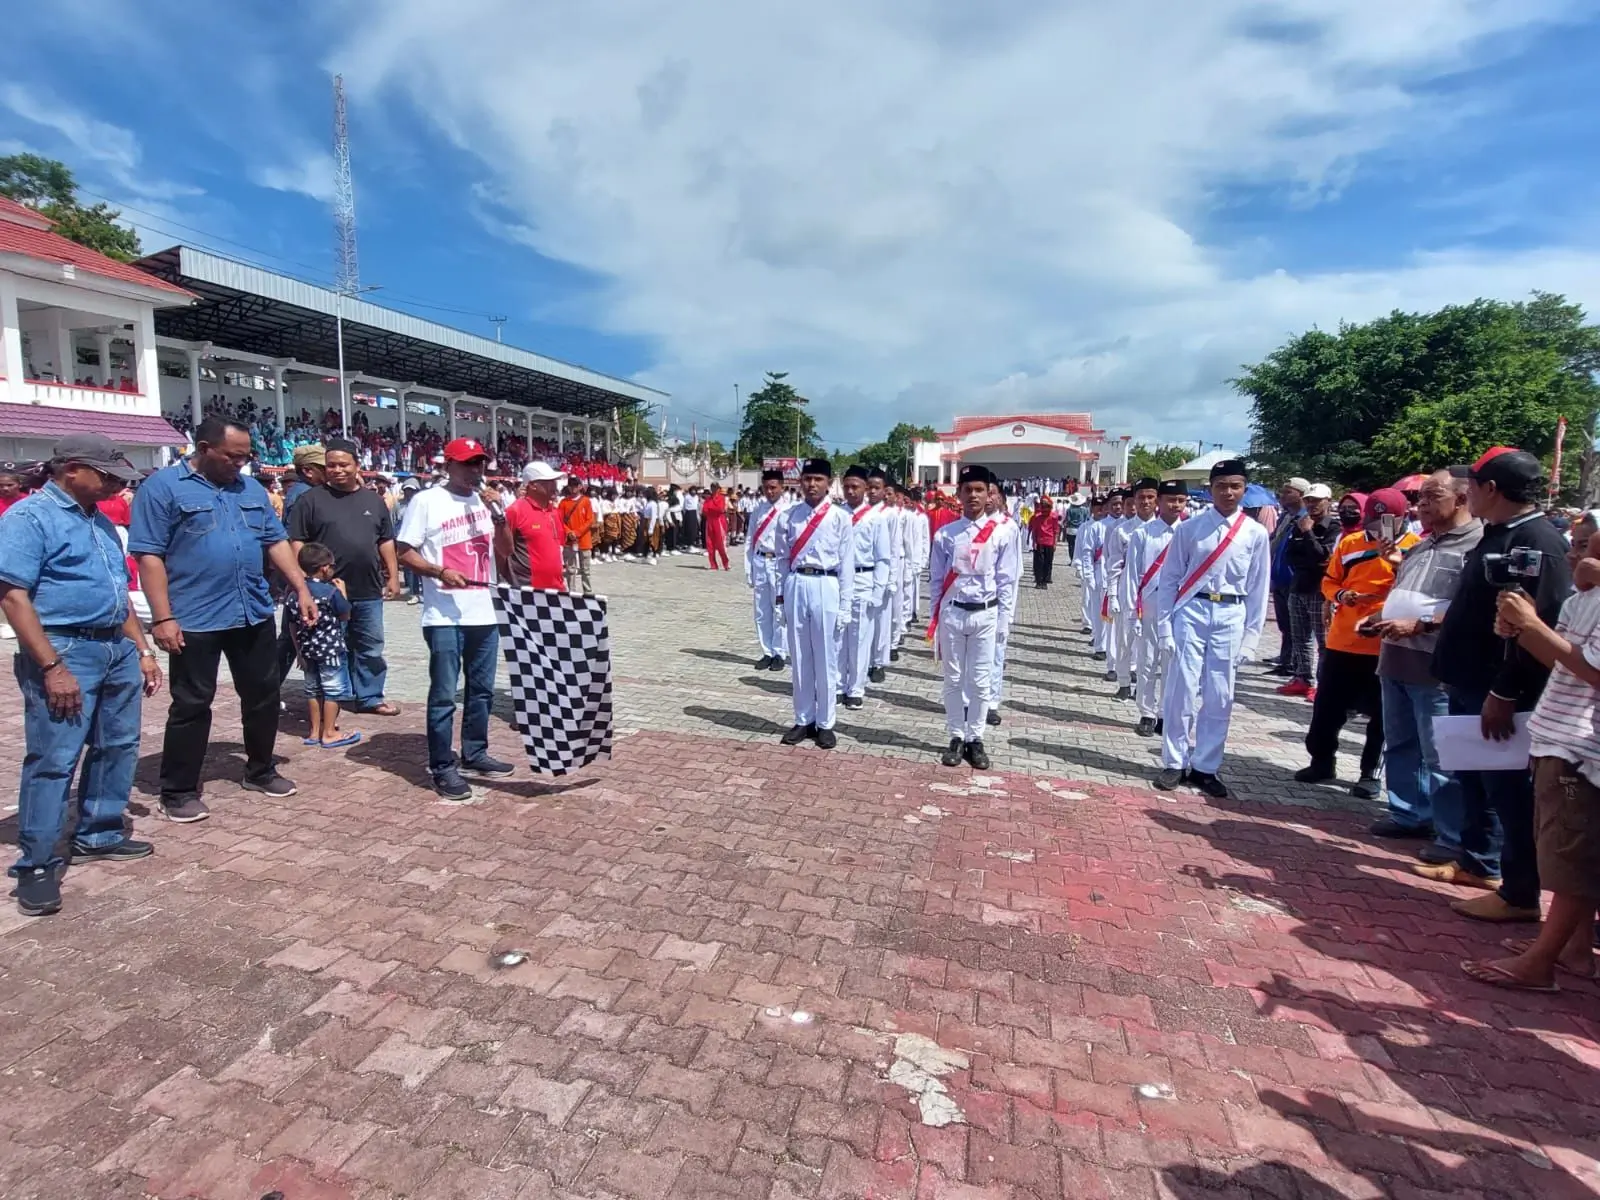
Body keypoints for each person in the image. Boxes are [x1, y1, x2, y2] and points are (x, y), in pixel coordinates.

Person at [0, 435, 163, 917]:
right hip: (64, 648)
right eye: (107, 475)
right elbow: (13, 597)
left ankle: (100, 830)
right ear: (72, 469)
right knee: (55, 757)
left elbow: (116, 591)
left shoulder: (100, 523)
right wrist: (51, 666)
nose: (115, 484)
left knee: (118, 744)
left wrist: (142, 649)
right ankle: (36, 861)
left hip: (114, 646)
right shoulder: (28, 520)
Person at [131, 417, 317, 820]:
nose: (241, 464)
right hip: (194, 616)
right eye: (233, 456)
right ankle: (178, 790)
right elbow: (149, 556)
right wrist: (162, 618)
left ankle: (260, 769)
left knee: (264, 695)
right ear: (203, 448)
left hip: (251, 610)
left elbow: (275, 542)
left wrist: (301, 588)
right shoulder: (162, 488)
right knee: (192, 702)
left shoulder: (250, 488)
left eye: (245, 456)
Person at [1416, 447, 1571, 923]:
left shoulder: (1535, 541)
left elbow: (1534, 629)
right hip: (1469, 680)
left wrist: (1505, 693)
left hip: (1498, 689)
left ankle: (1520, 891)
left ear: (1491, 490)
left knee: (1507, 791)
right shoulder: (1500, 534)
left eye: (1473, 486)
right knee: (1475, 781)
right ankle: (1476, 863)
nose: (1466, 494)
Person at [1461, 528, 1600, 991]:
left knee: (1573, 862)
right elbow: (1561, 659)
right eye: (1575, 544)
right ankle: (1573, 950)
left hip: (1582, 747)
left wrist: (1534, 626)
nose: (1573, 555)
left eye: (1584, 545)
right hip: (1556, 736)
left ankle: (1541, 963)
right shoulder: (1585, 599)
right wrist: (1521, 629)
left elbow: (1593, 671)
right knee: (1561, 852)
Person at [1366, 468, 1482, 854]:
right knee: (1400, 743)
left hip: (1435, 668)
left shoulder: (1477, 545)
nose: (1422, 505)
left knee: (1441, 756)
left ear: (1462, 499)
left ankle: (1451, 836)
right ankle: (1408, 814)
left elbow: (1474, 610)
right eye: (1421, 498)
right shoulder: (1422, 544)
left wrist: (1420, 624)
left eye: (1433, 496)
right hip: (1395, 658)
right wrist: (1380, 615)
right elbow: (1410, 592)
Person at [398, 437, 516, 801]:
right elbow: (404, 551)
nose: (475, 471)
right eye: (466, 464)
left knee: (480, 692)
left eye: (479, 463)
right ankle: (441, 766)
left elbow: (506, 551)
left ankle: (475, 752)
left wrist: (499, 514)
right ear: (447, 465)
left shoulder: (490, 502)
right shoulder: (427, 501)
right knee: (445, 694)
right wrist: (438, 571)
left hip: (484, 610)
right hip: (444, 614)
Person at [1153, 459, 1271, 799]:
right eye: (1221, 486)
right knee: (1181, 690)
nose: (1228, 492)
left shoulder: (1255, 533)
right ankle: (1174, 761)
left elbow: (1259, 587)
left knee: (1220, 694)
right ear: (1210, 489)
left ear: (1244, 489)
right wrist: (1164, 627)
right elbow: (1171, 579)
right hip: (1192, 610)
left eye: (1235, 486)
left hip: (1231, 613)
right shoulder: (1190, 529)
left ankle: (1206, 766)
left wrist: (1252, 637)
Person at [1297, 488, 1419, 798]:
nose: (1376, 528)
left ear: (1401, 518)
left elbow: (1414, 593)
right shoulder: (1351, 543)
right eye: (1372, 521)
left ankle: (1369, 774)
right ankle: (1322, 761)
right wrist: (1340, 595)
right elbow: (1330, 579)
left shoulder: (1414, 549)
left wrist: (1395, 563)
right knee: (1327, 709)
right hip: (1342, 640)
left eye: (1383, 522)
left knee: (1381, 716)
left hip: (1383, 646)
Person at [286, 438, 402, 717]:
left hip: (368, 587)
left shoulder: (373, 500)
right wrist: (304, 581)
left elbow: (385, 540)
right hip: (327, 592)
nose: (337, 470)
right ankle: (335, 696)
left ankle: (370, 696)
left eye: (343, 465)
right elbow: (297, 542)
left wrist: (394, 576)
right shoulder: (310, 500)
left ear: (357, 466)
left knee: (370, 646)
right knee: (332, 645)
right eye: (331, 465)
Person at [929, 465, 1015, 769]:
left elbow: (1007, 581)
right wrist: (934, 618)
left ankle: (975, 738)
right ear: (959, 494)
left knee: (980, 681)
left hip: (986, 614)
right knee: (953, 678)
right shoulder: (946, 534)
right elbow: (936, 579)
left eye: (980, 490)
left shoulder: (1004, 531)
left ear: (989, 493)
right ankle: (955, 734)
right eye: (968, 489)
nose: (974, 495)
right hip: (953, 613)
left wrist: (1005, 623)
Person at [775, 459, 854, 749]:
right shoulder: (789, 517)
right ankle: (803, 718)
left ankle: (826, 723)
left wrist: (846, 606)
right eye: (807, 478)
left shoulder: (839, 518)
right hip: (797, 582)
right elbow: (782, 560)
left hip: (826, 584)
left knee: (826, 657)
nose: (812, 484)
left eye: (818, 479)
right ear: (800, 481)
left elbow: (847, 565)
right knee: (799, 656)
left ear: (828, 482)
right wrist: (781, 598)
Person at [1127, 480, 1187, 737]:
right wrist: (1132, 613)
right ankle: (1147, 712)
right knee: (1147, 660)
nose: (1175, 505)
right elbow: (1131, 575)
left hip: (1180, 605)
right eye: (1170, 499)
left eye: (1180, 500)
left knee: (1174, 663)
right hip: (1150, 602)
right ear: (1159, 502)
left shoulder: (1190, 531)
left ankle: (1166, 712)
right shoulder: (1143, 533)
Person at [290, 542, 362, 750]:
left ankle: (314, 731)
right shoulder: (330, 592)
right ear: (324, 568)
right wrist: (343, 593)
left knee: (312, 690)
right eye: (332, 565)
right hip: (330, 649)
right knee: (333, 690)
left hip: (308, 649)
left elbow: (291, 625)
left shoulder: (296, 593)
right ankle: (329, 732)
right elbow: (346, 614)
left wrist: (298, 652)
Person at [837, 466, 891, 709]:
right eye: (846, 486)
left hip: (863, 579)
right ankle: (837, 684)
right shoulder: (836, 515)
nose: (850, 491)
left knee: (860, 637)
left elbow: (883, 558)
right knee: (838, 635)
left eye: (855, 486)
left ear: (865, 489)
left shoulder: (875, 518)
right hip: (838, 581)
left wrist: (878, 590)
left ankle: (856, 688)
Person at [1281, 482, 1338, 698]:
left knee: (1323, 640)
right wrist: (1308, 554)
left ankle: (1323, 684)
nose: (1312, 504)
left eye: (1316, 500)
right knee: (1299, 636)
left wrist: (1308, 535)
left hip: (1319, 590)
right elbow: (1291, 556)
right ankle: (1302, 677)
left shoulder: (1332, 527)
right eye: (1308, 500)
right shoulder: (1299, 524)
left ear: (1327, 502)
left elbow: (1323, 557)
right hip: (1298, 586)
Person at [1108, 479, 1159, 700]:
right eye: (1141, 497)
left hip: (1154, 595)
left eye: (1150, 497)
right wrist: (1112, 594)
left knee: (1148, 646)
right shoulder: (1122, 531)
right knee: (1124, 640)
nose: (1145, 502)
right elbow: (1113, 565)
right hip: (1127, 592)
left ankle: (1143, 686)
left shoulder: (1165, 530)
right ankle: (1123, 682)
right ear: (1134, 501)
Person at [984, 481, 1023, 726]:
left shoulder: (1008, 528)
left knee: (996, 654)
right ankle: (970, 702)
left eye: (992, 494)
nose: (987, 498)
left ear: (1000, 498)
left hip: (998, 602)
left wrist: (1007, 614)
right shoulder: (966, 526)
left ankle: (990, 702)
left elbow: (1013, 574)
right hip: (973, 603)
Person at [498, 462, 566, 591]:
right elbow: (501, 551)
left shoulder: (554, 512)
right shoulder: (515, 511)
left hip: (557, 588)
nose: (554, 486)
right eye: (548, 482)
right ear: (533, 485)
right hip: (529, 592)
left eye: (554, 481)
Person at [745, 469, 789, 671]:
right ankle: (767, 651)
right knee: (762, 610)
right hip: (761, 561)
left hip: (779, 563)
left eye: (773, 487)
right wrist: (749, 568)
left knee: (779, 609)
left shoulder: (789, 509)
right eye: (766, 488)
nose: (770, 491)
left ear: (781, 486)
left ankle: (780, 652)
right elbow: (749, 539)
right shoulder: (758, 509)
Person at [1267, 477, 1309, 674]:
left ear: (1300, 495)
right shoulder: (1285, 517)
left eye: (1287, 492)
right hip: (1278, 576)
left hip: (1293, 579)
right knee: (1284, 623)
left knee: (1296, 626)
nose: (1282, 496)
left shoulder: (1306, 519)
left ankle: (1295, 663)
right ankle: (1285, 658)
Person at [1074, 495, 1109, 646]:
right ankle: (1088, 624)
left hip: (1105, 571)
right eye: (1097, 507)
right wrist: (1079, 565)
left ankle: (1099, 634)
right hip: (1090, 567)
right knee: (1087, 599)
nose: (1100, 510)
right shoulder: (1085, 527)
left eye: (1103, 507)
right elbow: (1080, 548)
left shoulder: (1110, 526)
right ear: (1092, 509)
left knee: (1104, 606)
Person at [558, 476, 595, 594]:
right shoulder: (564, 502)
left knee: (585, 569)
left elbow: (590, 520)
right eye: (571, 485)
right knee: (570, 569)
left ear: (580, 486)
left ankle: (587, 591)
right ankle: (572, 591)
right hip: (569, 540)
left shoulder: (586, 501)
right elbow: (560, 520)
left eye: (575, 485)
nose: (573, 488)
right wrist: (569, 532)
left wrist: (577, 532)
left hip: (583, 540)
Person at [1028, 495, 1060, 588]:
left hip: (1049, 543)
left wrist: (1055, 543)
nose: (1045, 508)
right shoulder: (1037, 517)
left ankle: (1045, 581)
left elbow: (1056, 531)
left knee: (1048, 562)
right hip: (1040, 543)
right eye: (1043, 506)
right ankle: (1039, 582)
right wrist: (1034, 542)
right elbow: (1035, 531)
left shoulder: (1053, 517)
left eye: (1047, 506)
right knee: (1039, 563)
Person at [702, 483, 731, 570]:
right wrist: (713, 510)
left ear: (718, 488)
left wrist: (711, 510)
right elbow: (704, 511)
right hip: (710, 521)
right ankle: (713, 565)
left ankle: (726, 563)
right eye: (712, 488)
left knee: (720, 544)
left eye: (715, 487)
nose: (713, 489)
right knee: (710, 544)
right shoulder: (708, 499)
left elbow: (720, 509)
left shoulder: (721, 498)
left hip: (718, 521)